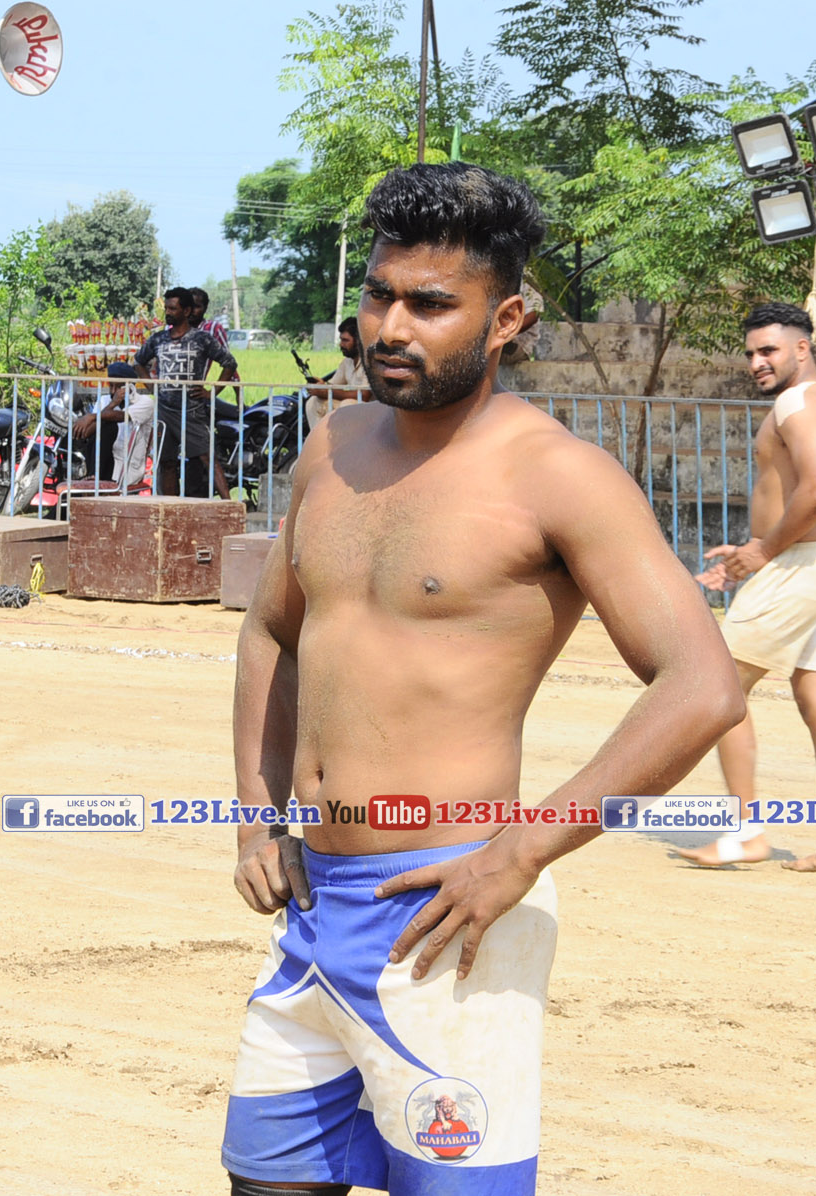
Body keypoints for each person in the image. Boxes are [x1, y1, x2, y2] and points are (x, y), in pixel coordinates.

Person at [223, 163, 743, 1195]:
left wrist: (524, 851)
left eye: (429, 305)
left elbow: (702, 684)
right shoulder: (333, 446)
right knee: (265, 1181)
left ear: (506, 319)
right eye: (379, 295)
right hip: (314, 909)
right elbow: (271, 630)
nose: (389, 327)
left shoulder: (558, 475)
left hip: (449, 911)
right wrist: (255, 816)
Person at [675, 303, 816, 875]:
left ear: (802, 348)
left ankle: (746, 833)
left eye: (769, 350)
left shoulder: (796, 403)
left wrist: (762, 552)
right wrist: (754, 550)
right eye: (751, 352)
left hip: (800, 568)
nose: (757, 361)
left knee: (719, 691)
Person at [135, 286, 240, 497]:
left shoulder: (202, 339)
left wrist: (213, 391)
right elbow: (138, 362)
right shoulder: (158, 339)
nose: (168, 313)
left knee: (208, 457)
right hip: (165, 410)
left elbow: (229, 363)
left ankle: (230, 505)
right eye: (167, 308)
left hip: (192, 410)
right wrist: (151, 386)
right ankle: (171, 507)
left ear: (186, 311)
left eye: (173, 309)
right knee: (167, 462)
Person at [71, 361, 157, 489]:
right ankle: (94, 476)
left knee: (109, 425)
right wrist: (112, 404)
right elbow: (88, 432)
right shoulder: (105, 400)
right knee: (102, 426)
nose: (113, 391)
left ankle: (96, 477)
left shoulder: (145, 402)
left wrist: (92, 416)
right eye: (111, 386)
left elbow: (121, 417)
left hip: (127, 468)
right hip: (105, 463)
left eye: (118, 387)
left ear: (130, 387)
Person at [302, 317, 368, 431]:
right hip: (352, 411)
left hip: (372, 413)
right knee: (313, 401)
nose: (341, 345)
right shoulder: (347, 362)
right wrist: (322, 385)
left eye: (345, 340)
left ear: (358, 341)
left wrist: (327, 391)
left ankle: (345, 442)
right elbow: (334, 385)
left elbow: (365, 395)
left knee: (347, 404)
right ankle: (320, 440)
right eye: (341, 340)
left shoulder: (370, 362)